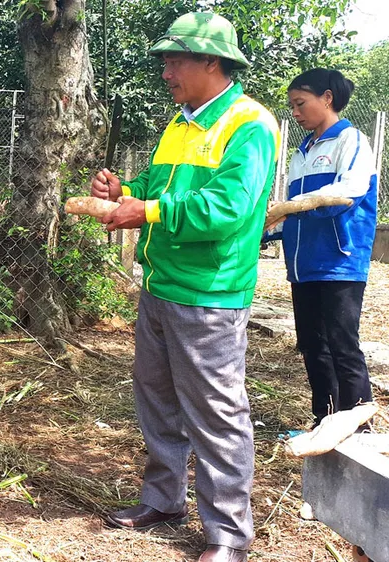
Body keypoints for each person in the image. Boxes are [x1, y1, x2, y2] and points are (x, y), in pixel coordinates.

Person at [92, 12, 279, 562]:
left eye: (176, 59)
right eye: (165, 60)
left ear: (212, 63)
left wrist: (145, 209)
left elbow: (227, 209)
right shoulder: (180, 122)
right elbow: (158, 184)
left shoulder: (250, 125)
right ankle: (163, 500)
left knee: (217, 413)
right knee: (157, 401)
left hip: (210, 295)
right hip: (160, 286)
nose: (166, 69)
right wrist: (123, 187)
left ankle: (227, 536)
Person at [262, 69, 377, 429]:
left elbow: (348, 192)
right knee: (312, 346)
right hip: (304, 265)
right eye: (292, 106)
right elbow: (297, 212)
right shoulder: (302, 152)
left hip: (339, 262)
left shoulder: (351, 141)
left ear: (327, 98)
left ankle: (359, 426)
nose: (295, 113)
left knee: (343, 346)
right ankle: (325, 421)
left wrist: (291, 206)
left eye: (301, 104)